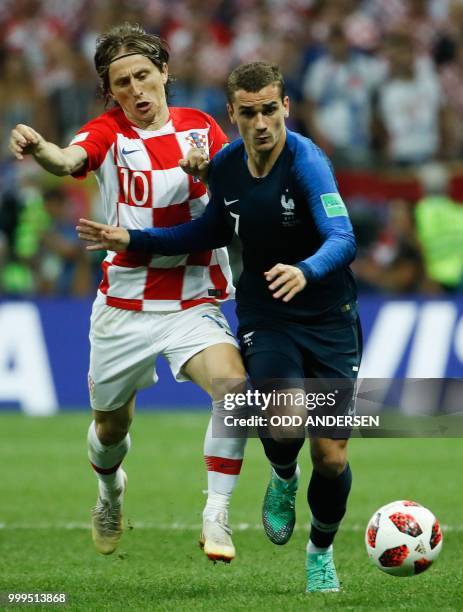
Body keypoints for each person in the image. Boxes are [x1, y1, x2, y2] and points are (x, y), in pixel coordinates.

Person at [77, 61, 362, 594]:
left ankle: (319, 551)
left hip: (328, 318)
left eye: (270, 110)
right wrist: (133, 241)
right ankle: (281, 475)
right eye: (249, 113)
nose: (261, 123)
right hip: (268, 312)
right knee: (277, 419)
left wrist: (306, 270)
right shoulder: (228, 166)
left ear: (285, 109)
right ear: (232, 114)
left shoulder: (308, 163)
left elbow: (343, 239)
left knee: (331, 454)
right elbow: (204, 229)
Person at [9, 23, 248, 564]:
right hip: (124, 307)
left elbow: (236, 191)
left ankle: (216, 514)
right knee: (110, 426)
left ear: (164, 72)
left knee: (234, 389)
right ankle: (109, 494)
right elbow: (70, 162)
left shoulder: (201, 128)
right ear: (110, 90)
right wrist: (41, 146)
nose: (136, 90)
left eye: (144, 75)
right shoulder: (107, 132)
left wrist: (209, 171)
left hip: (192, 299)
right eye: (122, 83)